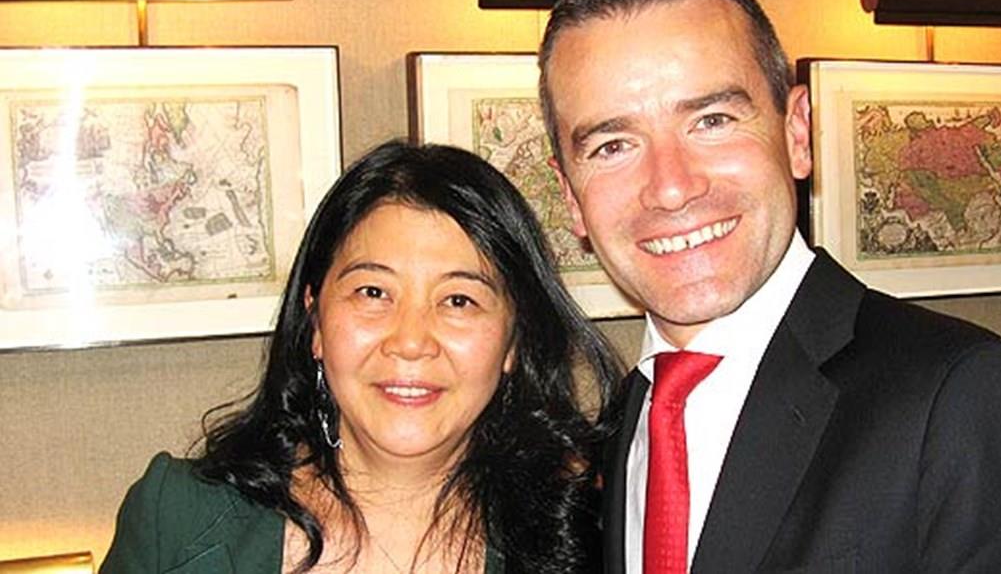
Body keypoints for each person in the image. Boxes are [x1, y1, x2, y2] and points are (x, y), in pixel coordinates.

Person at [539, 0, 1001, 573]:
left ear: (797, 134)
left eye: (712, 120)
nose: (672, 187)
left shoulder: (971, 402)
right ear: (570, 198)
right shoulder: (625, 422)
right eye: (613, 146)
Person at [101, 141, 623, 573]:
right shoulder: (179, 518)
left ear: (513, 342)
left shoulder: (590, 534)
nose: (411, 341)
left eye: (459, 301)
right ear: (316, 321)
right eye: (373, 292)